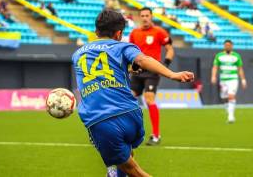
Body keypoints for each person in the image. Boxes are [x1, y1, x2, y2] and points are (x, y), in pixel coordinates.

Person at [73, 9, 194, 177]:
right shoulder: (124, 45)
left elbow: (101, 65)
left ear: (96, 31)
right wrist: (173, 74)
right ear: (118, 34)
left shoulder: (78, 54)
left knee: (134, 171)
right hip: (131, 115)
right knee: (123, 158)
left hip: (101, 119)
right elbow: (142, 59)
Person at [129, 7, 175, 146]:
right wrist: (131, 66)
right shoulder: (134, 33)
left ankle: (156, 135)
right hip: (138, 71)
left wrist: (165, 65)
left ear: (151, 16)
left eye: (147, 15)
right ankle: (129, 133)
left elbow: (170, 49)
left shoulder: (159, 32)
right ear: (139, 17)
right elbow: (130, 51)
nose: (144, 18)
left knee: (149, 99)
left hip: (152, 71)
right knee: (128, 98)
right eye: (142, 15)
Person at [211, 40, 247, 123]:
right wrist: (213, 76)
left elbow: (240, 69)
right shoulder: (219, 56)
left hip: (233, 79)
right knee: (224, 97)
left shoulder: (236, 56)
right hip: (223, 79)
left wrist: (243, 80)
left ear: (232, 46)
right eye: (226, 45)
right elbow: (215, 67)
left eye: (229, 45)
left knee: (231, 96)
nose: (227, 46)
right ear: (224, 46)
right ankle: (229, 111)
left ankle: (231, 117)